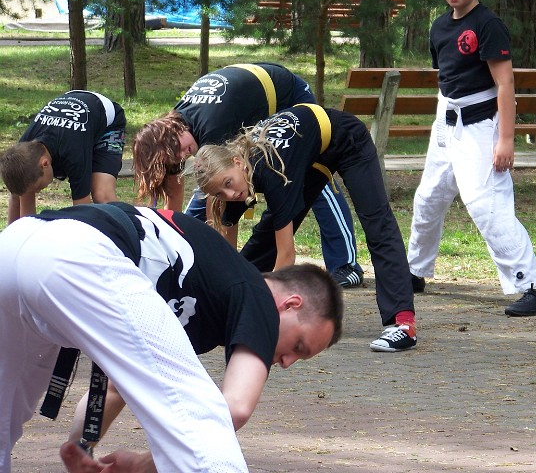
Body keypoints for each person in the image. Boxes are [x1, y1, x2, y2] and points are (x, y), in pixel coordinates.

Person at [0, 202, 342, 473]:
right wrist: (148, 465)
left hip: (18, 242)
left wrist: (81, 445)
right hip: (77, 253)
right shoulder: (256, 294)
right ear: (291, 304)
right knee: (201, 414)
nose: (287, 362)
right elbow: (233, 408)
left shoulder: (212, 286)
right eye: (299, 346)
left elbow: (118, 386)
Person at [187, 104, 418, 353]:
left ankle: (404, 324)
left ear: (237, 162)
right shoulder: (233, 180)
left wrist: (269, 313)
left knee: (377, 222)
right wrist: (228, 299)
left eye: (228, 184)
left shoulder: (272, 172)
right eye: (220, 193)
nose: (230, 194)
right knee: (265, 238)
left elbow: (286, 256)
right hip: (308, 154)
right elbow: (230, 261)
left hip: (344, 138)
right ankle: (235, 310)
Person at [405, 0, 536, 316]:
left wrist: (505, 139)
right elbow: (448, 78)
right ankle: (415, 271)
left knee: (487, 206)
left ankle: (532, 286)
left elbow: (505, 85)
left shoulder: (487, 25)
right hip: (446, 124)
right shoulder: (439, 27)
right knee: (428, 198)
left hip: (481, 127)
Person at [132, 62, 364, 288]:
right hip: (249, 103)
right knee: (207, 203)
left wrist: (227, 262)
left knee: (310, 176)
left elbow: (219, 203)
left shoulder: (213, 127)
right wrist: (169, 242)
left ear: (176, 129)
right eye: (177, 159)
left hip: (289, 97)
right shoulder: (174, 131)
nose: (183, 156)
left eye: (179, 150)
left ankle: (346, 264)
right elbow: (175, 200)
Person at [0, 90, 125, 224]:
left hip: (106, 121)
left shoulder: (74, 154)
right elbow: (25, 213)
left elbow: (82, 213)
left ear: (45, 163)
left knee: (102, 194)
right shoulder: (24, 149)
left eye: (39, 188)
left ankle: (132, 230)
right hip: (74, 110)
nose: (38, 192)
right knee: (20, 190)